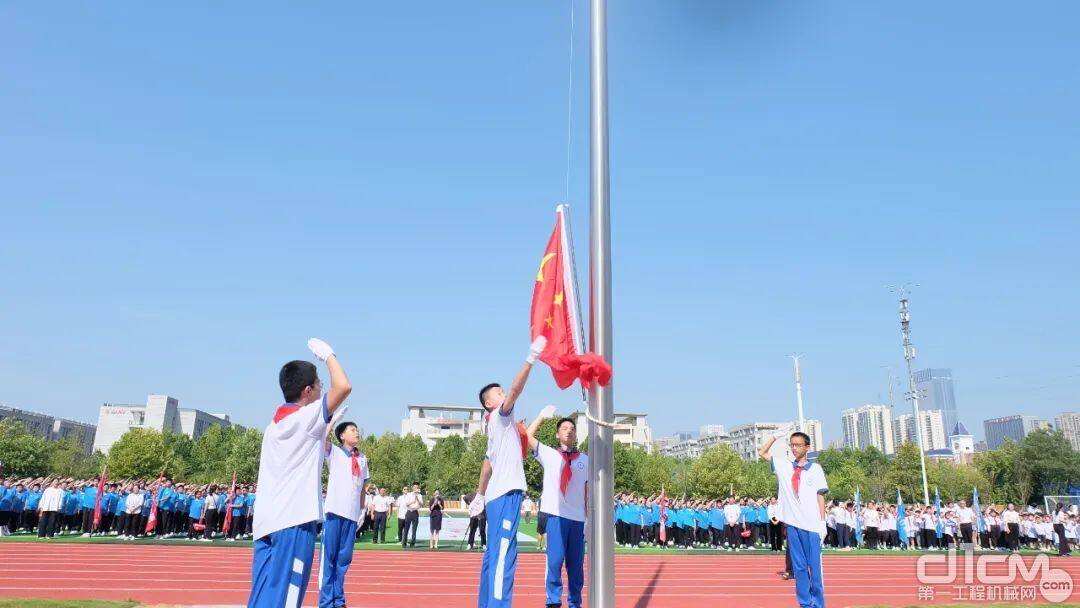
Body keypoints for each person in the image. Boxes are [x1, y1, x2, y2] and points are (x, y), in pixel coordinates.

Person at [247, 338, 352, 608]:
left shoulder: (275, 424)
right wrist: (328, 355)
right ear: (307, 390)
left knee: (263, 600)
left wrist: (326, 429)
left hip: (266, 522)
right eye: (319, 384)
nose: (322, 388)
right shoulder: (304, 419)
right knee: (286, 601)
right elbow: (344, 386)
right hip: (293, 521)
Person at [475, 335, 546, 608]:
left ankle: (487, 603)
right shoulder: (500, 417)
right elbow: (517, 390)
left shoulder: (498, 429)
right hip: (506, 495)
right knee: (504, 554)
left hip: (497, 494)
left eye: (503, 390)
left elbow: (487, 465)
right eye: (499, 393)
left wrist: (479, 494)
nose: (504, 393)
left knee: (493, 555)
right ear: (490, 403)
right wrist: (530, 359)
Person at [759, 430, 828, 608]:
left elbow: (820, 496)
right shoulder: (784, 466)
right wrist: (775, 436)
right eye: (792, 445)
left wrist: (822, 523)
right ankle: (805, 604)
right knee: (799, 569)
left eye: (798, 445)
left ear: (807, 447)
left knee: (815, 569)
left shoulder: (816, 469)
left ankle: (818, 604)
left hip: (812, 526)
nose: (794, 448)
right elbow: (762, 453)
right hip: (793, 525)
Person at [526, 413, 588, 608]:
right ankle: (553, 601)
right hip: (556, 516)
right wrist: (541, 417)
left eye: (572, 429)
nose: (569, 431)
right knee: (554, 562)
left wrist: (590, 518)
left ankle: (575, 602)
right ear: (556, 435)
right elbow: (527, 436)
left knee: (576, 567)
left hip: (578, 519)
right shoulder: (549, 454)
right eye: (564, 428)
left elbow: (588, 491)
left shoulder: (586, 460)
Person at [319, 420, 369, 608]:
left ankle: (338, 600)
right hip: (334, 512)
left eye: (357, 429)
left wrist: (362, 509)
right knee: (329, 560)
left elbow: (363, 486)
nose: (357, 433)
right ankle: (325, 602)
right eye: (352, 430)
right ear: (342, 436)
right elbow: (322, 438)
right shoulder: (335, 452)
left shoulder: (362, 458)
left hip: (351, 515)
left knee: (343, 560)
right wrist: (329, 423)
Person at [402, 483, 422, 548]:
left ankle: (412, 543)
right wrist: (413, 501)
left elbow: (421, 504)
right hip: (409, 512)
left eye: (417, 487)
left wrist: (417, 499)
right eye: (414, 487)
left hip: (415, 512)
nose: (416, 488)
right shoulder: (409, 494)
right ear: (412, 487)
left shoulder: (419, 495)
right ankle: (404, 542)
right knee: (406, 528)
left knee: (414, 529)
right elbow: (406, 504)